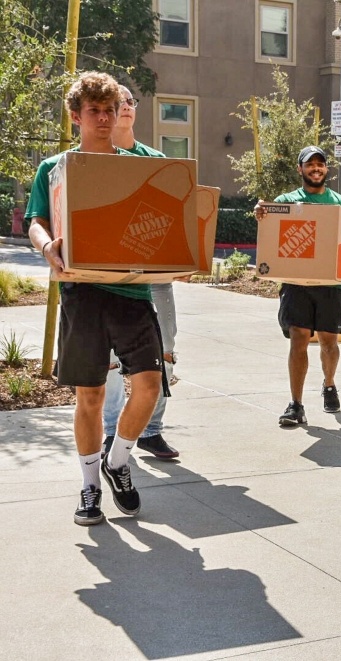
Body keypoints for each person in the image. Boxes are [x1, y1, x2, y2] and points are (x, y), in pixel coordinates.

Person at [27, 72, 164, 526]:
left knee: (148, 387)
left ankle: (118, 460)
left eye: (109, 110)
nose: (104, 118)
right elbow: (36, 221)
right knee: (90, 394)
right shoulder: (55, 168)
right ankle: (89, 487)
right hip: (82, 293)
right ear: (76, 117)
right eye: (94, 111)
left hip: (132, 290)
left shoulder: (135, 165)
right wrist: (48, 247)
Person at [254, 146, 341, 426]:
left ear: (326, 169)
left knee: (329, 342)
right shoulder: (287, 201)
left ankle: (329, 384)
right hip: (296, 284)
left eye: (320, 164)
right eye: (310, 164)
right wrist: (262, 212)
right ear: (300, 169)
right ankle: (296, 404)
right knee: (299, 338)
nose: (315, 168)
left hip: (331, 285)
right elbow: (269, 228)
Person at [102, 85, 179, 460]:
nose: (126, 108)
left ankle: (151, 430)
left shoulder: (155, 159)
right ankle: (112, 431)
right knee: (113, 358)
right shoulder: (95, 159)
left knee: (162, 351)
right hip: (107, 274)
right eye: (118, 103)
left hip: (153, 277)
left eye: (130, 102)